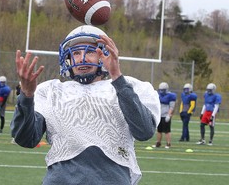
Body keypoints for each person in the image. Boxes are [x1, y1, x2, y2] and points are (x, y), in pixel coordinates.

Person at [11, 25, 161, 184]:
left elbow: (144, 131)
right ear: (67, 58)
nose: (82, 58)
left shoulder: (126, 86)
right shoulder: (51, 91)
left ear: (104, 54)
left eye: (90, 52)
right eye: (75, 53)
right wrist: (27, 96)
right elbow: (25, 139)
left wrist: (117, 78)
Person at [153, 82, 176, 149]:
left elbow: (171, 107)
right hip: (159, 115)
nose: (162, 91)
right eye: (161, 90)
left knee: (167, 131)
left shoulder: (170, 96)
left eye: (163, 90)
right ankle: (158, 143)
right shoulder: (158, 94)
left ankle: (168, 143)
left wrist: (169, 115)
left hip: (166, 115)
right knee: (159, 130)